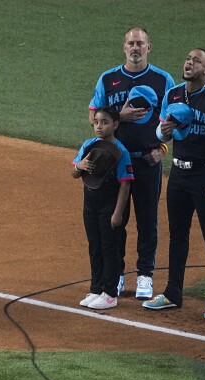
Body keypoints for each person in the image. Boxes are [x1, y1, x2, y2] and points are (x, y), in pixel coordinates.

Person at [144, 48, 205, 312]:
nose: (189, 63)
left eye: (196, 61)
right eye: (187, 58)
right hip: (177, 173)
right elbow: (161, 132)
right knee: (177, 234)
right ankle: (173, 292)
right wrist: (162, 133)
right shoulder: (174, 93)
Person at [88, 27, 174, 299]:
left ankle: (146, 275)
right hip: (114, 165)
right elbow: (93, 118)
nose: (135, 48)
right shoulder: (108, 78)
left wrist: (163, 148)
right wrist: (119, 118)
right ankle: (118, 274)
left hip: (148, 162)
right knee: (116, 220)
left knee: (148, 221)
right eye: (131, 43)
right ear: (124, 47)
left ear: (149, 47)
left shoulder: (163, 80)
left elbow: (174, 120)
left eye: (140, 43)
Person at [71, 106, 133, 310]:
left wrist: (118, 213)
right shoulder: (89, 145)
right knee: (94, 246)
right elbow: (74, 172)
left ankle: (110, 293)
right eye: (96, 122)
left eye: (104, 122)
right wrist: (78, 166)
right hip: (90, 203)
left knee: (110, 248)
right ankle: (96, 289)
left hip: (110, 204)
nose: (99, 126)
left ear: (115, 125)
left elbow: (125, 184)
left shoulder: (121, 151)